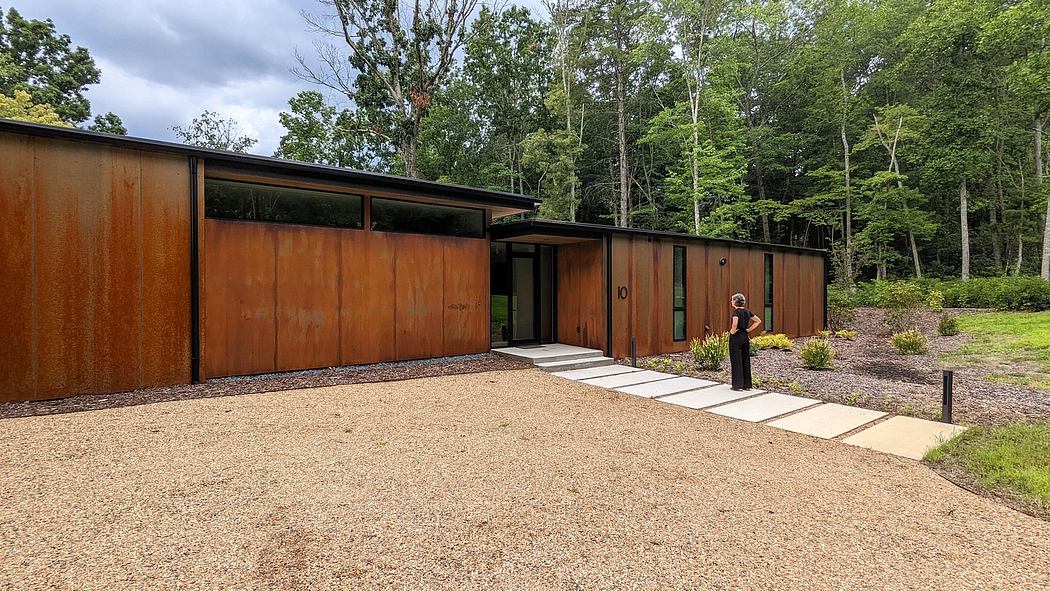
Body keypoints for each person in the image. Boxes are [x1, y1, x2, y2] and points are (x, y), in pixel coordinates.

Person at [728, 293, 762, 391]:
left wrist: (732, 331)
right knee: (745, 359)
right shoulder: (747, 312)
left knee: (736, 359)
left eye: (732, 300)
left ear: (735, 302)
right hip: (745, 336)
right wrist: (748, 330)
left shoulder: (736, 312)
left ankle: (737, 385)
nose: (731, 301)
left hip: (736, 337)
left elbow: (735, 324)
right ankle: (747, 385)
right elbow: (758, 321)